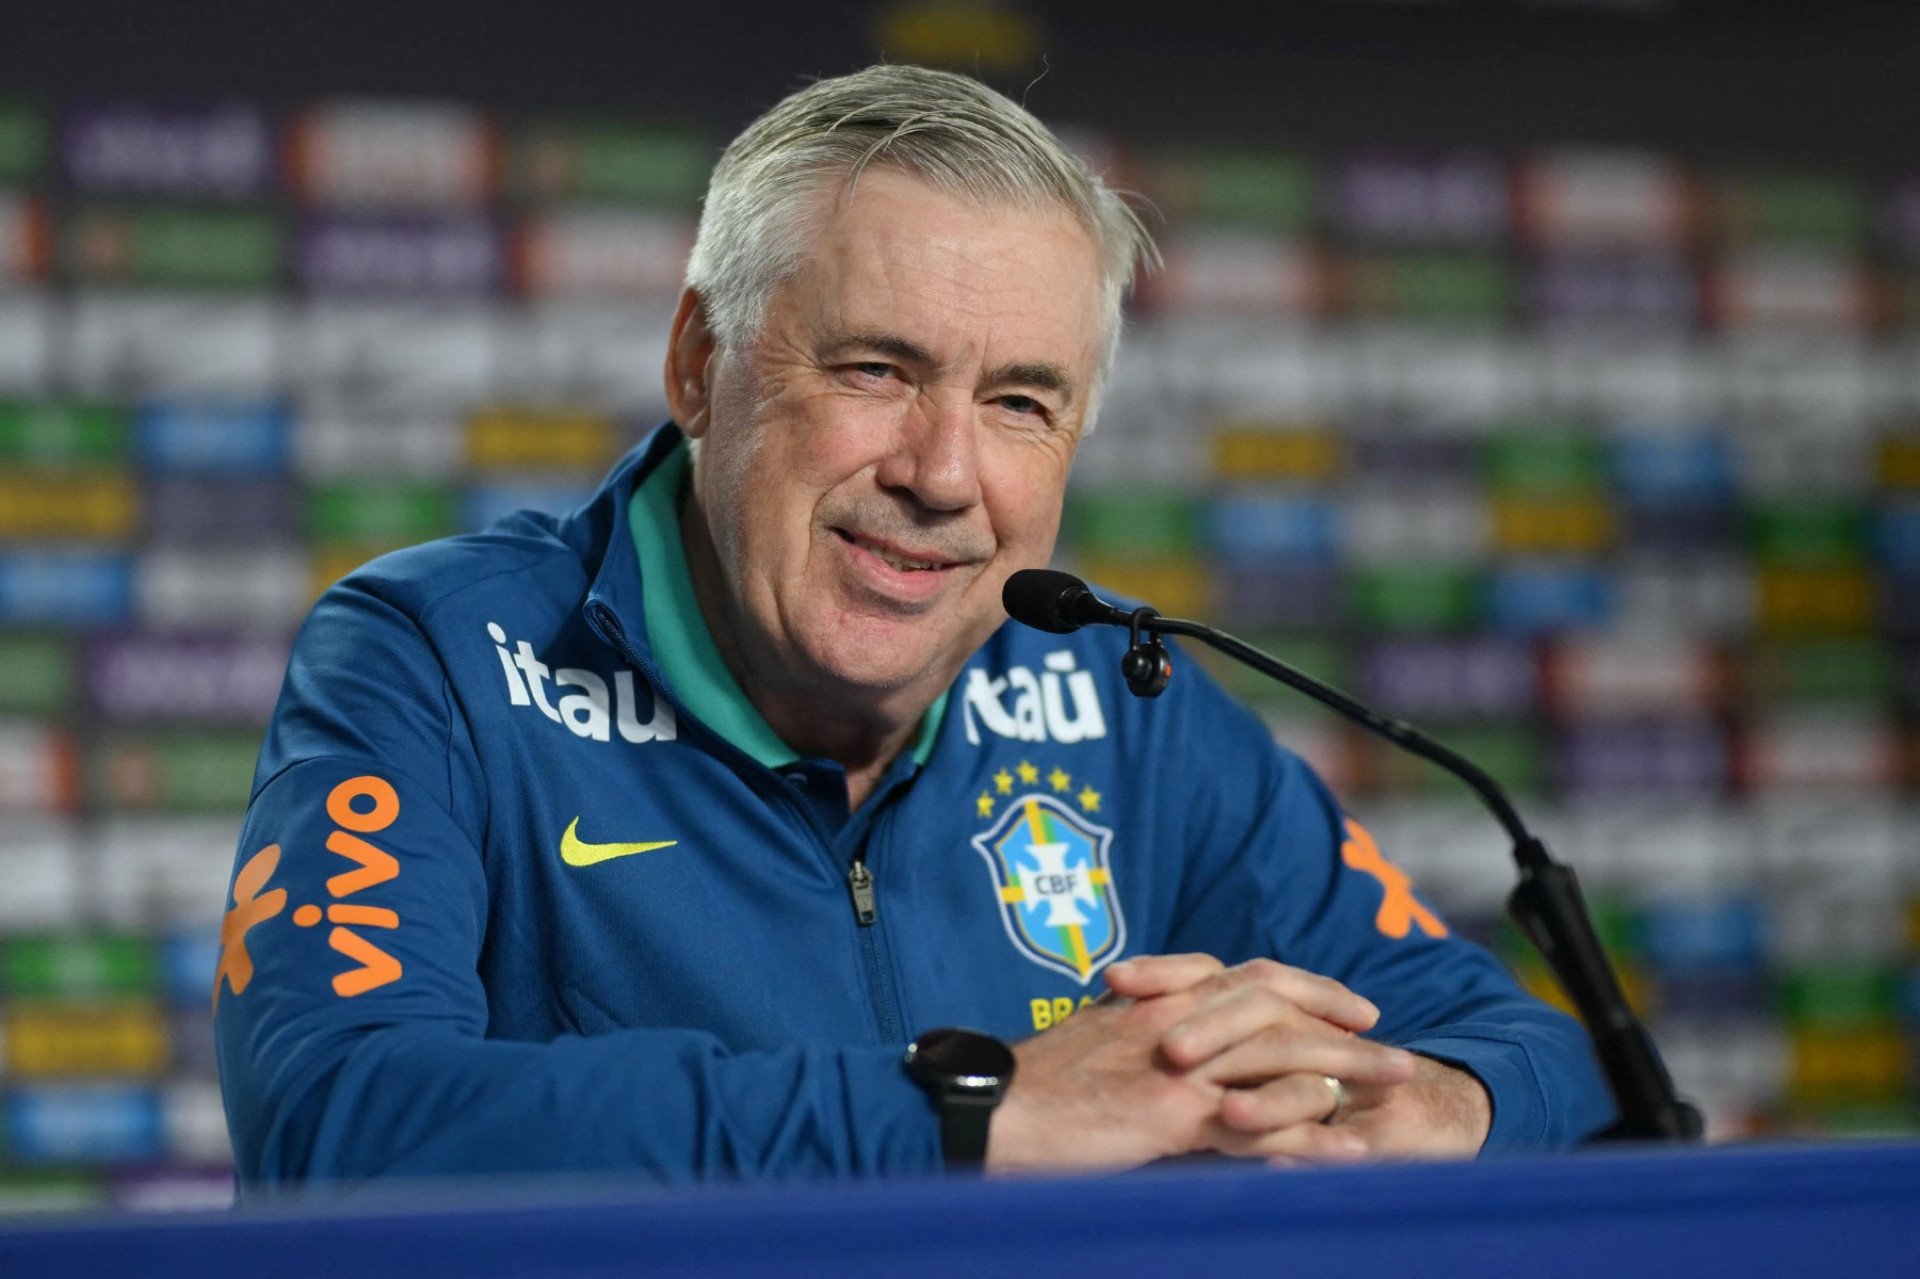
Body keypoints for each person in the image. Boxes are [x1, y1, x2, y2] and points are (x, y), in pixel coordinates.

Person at [214, 64, 1613, 1189]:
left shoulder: (1123, 703)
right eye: (877, 370)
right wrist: (967, 1111)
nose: (942, 476)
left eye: (1020, 401)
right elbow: (340, 1115)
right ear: (702, 366)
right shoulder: (436, 655)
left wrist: (1423, 1104)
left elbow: (1538, 1053)